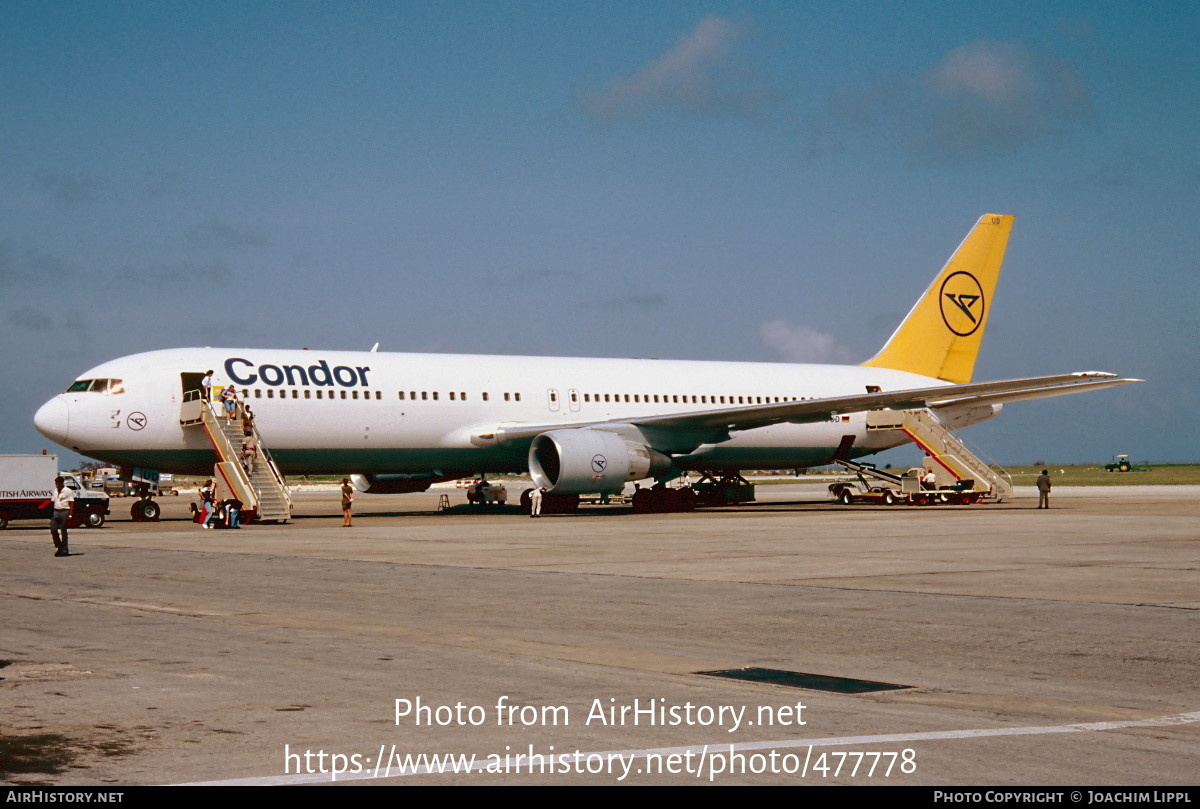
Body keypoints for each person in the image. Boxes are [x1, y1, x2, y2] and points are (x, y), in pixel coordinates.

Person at [50, 475, 76, 557]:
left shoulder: (68, 491)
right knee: (53, 528)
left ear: (62, 483)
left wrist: (70, 515)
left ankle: (65, 549)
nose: (57, 485)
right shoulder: (55, 491)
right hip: (56, 511)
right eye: (56, 483)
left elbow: (71, 503)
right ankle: (59, 546)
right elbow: (53, 501)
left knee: (63, 530)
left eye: (58, 483)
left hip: (65, 511)